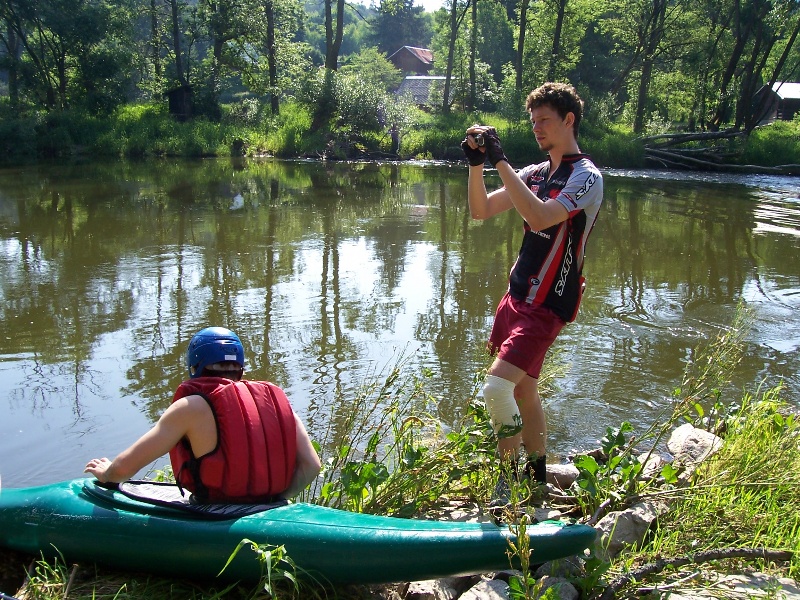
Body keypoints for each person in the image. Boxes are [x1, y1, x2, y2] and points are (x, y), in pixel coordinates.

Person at [461, 82, 603, 505]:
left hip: (547, 305)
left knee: (496, 389)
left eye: (544, 119)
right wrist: (476, 165)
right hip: (516, 295)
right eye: (533, 120)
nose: (537, 127)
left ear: (568, 120)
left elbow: (541, 218)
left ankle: (506, 482)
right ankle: (537, 480)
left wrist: (500, 160)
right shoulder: (536, 174)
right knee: (523, 389)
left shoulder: (587, 177)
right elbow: (480, 210)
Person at [85, 327, 321, 502]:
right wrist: (275, 500)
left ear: (195, 366)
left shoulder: (190, 407)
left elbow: (124, 469)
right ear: (240, 366)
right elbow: (311, 465)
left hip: (212, 513)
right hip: (269, 508)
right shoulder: (273, 400)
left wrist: (107, 472)